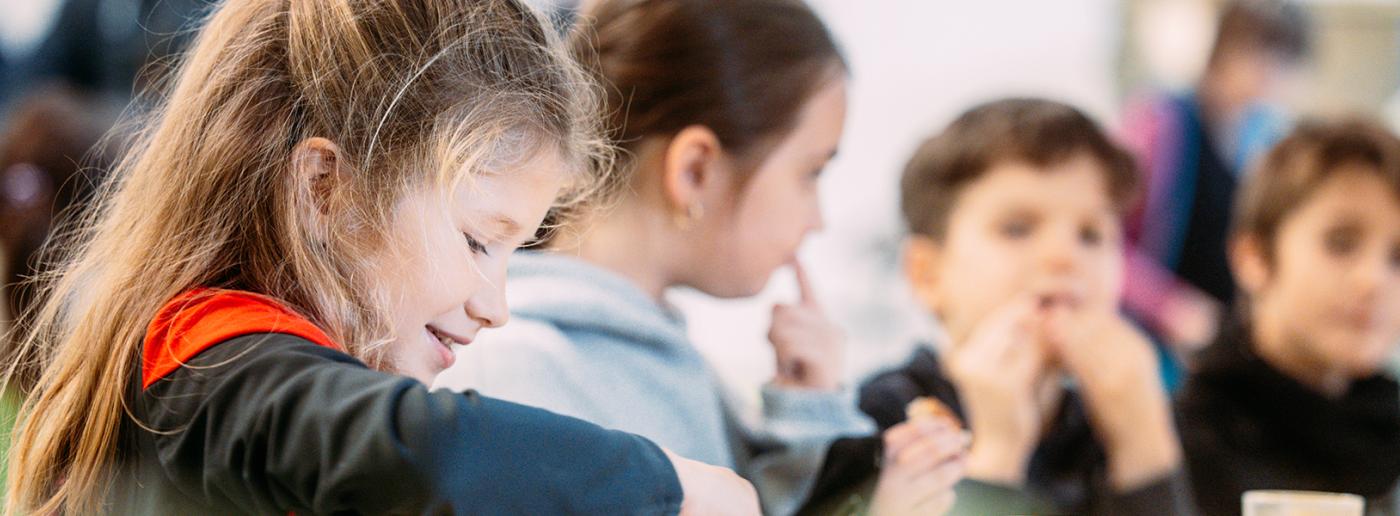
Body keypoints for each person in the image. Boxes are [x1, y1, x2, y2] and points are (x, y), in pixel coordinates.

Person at [2, 0, 758, 513]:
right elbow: (421, 451)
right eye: (476, 241)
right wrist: (666, 485)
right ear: (327, 189)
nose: (497, 304)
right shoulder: (200, 356)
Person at [436, 0, 964, 514]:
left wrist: (811, 419)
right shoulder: (519, 373)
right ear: (695, 171)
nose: (818, 218)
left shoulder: (679, 369)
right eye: (810, 172)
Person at [855, 98, 1194, 514]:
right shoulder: (883, 419)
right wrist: (997, 454)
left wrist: (1145, 445)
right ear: (928, 275)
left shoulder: (1108, 426)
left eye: (1090, 234)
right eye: (1017, 228)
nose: (1063, 255)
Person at [1176, 119, 1400, 515]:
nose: (1373, 281)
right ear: (1254, 256)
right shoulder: (1170, 451)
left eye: (1397, 258)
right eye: (1341, 243)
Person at [1121, 0, 1310, 368]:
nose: (1267, 70)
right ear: (1217, 49)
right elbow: (1107, 243)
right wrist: (1170, 308)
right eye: (1255, 50)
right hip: (1154, 343)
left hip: (1226, 344)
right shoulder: (1158, 123)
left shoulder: (1269, 135)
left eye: (1281, 56)